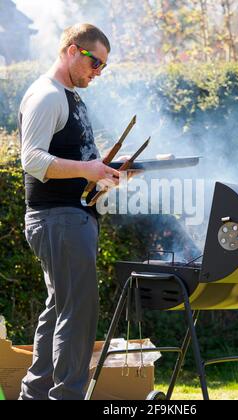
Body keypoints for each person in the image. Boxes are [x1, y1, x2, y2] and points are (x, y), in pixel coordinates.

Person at [18, 23, 120, 400]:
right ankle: (67, 396)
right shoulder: (47, 95)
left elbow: (80, 161)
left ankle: (35, 394)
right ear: (73, 50)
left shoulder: (71, 96)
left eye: (104, 67)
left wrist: (106, 171)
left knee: (60, 308)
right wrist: (87, 170)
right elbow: (31, 159)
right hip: (57, 218)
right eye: (96, 63)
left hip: (68, 218)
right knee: (78, 314)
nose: (98, 73)